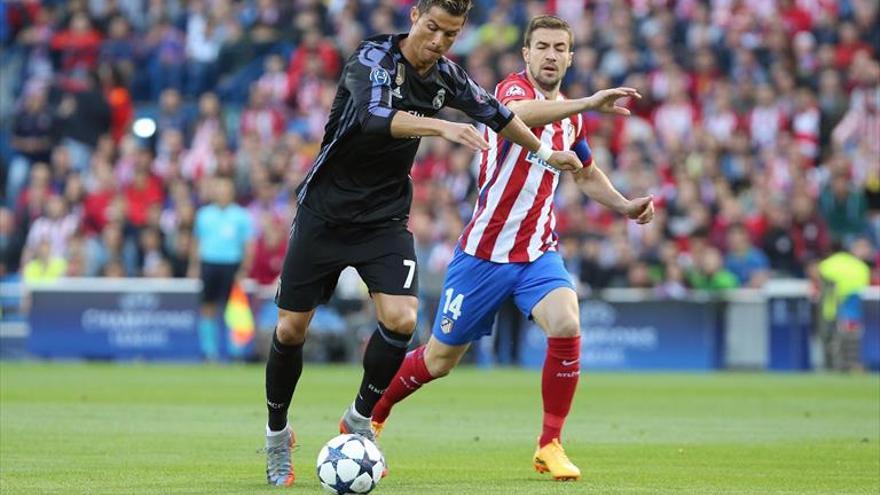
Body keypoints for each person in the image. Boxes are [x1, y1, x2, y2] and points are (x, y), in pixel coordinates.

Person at [263, 1, 585, 486]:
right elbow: (372, 117)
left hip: (384, 217)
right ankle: (276, 435)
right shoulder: (370, 59)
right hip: (324, 213)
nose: (438, 41)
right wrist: (440, 125)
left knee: (402, 320)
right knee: (290, 331)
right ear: (414, 17)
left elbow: (496, 113)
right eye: (432, 28)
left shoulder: (448, 76)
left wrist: (543, 151)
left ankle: (358, 419)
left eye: (450, 35)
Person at [370, 15, 653, 482]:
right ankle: (370, 416)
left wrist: (624, 205)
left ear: (570, 56)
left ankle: (550, 444)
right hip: (483, 253)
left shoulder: (572, 118)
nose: (550, 55)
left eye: (559, 48)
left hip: (538, 252)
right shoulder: (510, 92)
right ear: (526, 53)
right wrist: (588, 101)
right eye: (541, 46)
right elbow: (515, 119)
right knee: (439, 360)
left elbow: (583, 172)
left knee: (566, 321)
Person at [189, 176, 254, 360]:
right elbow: (196, 241)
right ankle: (210, 351)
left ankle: (236, 351)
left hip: (231, 264)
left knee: (234, 308)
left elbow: (248, 245)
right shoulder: (204, 214)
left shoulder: (241, 215)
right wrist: (194, 266)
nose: (222, 193)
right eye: (220, 189)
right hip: (209, 263)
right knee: (208, 306)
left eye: (226, 189)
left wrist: (244, 268)